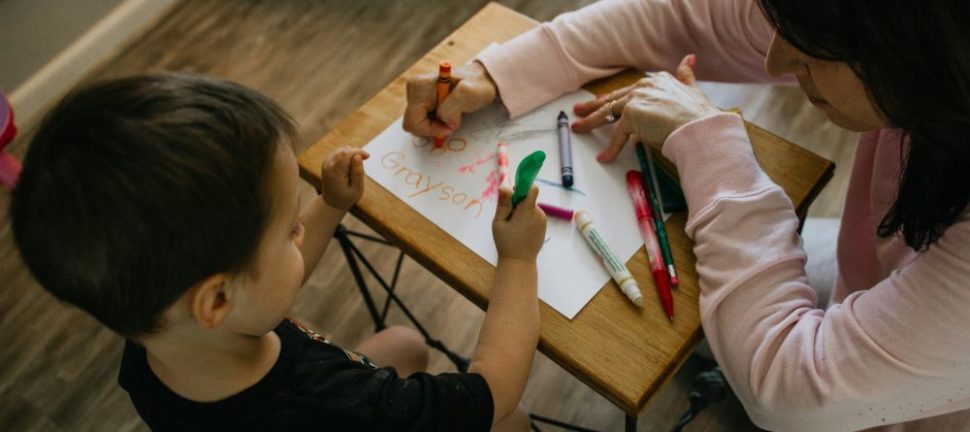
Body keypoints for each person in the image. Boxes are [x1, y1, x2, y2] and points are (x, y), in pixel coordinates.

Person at [403, 0, 970, 430]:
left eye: (810, 47)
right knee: (708, 322)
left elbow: (791, 390)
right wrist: (495, 74)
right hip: (871, 277)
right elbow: (682, 15)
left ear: (917, 48)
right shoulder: (924, 49)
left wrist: (709, 147)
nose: (774, 58)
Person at [11, 73, 547, 431]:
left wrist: (330, 205)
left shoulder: (156, 337)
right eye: (290, 229)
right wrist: (519, 260)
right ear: (216, 299)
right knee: (516, 421)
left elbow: (260, 288)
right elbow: (492, 390)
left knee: (405, 344)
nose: (300, 232)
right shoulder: (333, 402)